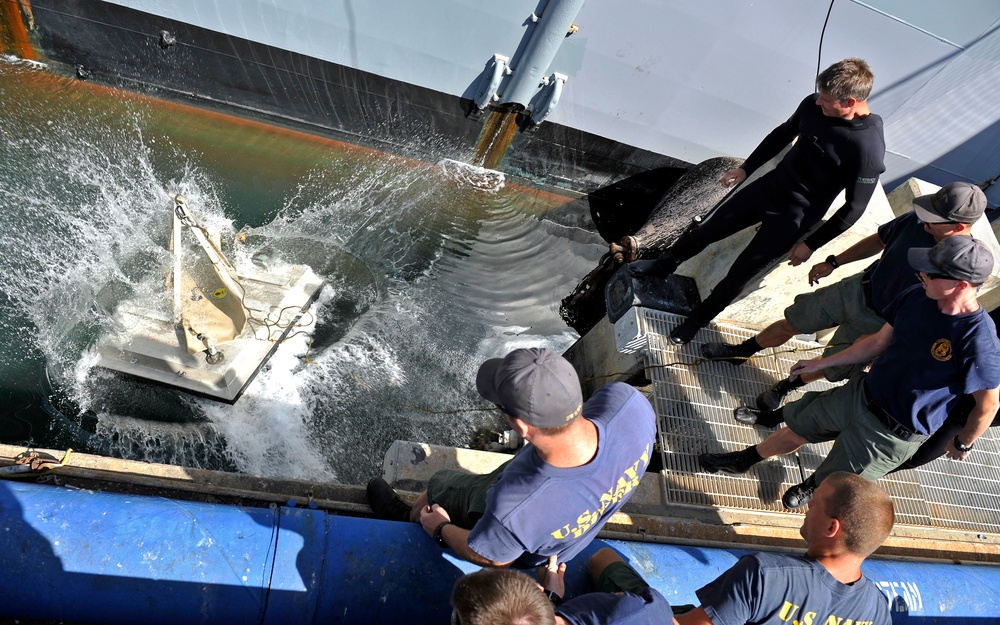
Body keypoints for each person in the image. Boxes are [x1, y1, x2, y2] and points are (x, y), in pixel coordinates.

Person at [698, 236, 1000, 509]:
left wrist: (963, 443)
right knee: (799, 425)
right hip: (861, 393)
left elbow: (988, 406)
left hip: (890, 433)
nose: (921, 274)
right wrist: (820, 363)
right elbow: (878, 341)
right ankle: (745, 460)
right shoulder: (918, 295)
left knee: (838, 480)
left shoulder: (979, 341)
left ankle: (809, 487)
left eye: (930, 273)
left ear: (961, 284)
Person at [634, 58, 885, 346]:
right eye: (820, 96)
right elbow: (782, 133)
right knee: (706, 231)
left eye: (827, 100)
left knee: (740, 273)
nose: (819, 103)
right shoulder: (813, 103)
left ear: (850, 102)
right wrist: (746, 169)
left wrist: (810, 244)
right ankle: (662, 266)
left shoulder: (867, 149)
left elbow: (853, 209)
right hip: (770, 188)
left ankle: (696, 320)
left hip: (795, 216)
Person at [700, 181, 987, 411]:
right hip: (857, 289)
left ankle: (786, 386)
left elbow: (945, 314)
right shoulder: (916, 221)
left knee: (835, 362)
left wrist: (888, 344)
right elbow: (879, 240)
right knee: (794, 320)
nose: (923, 220)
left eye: (933, 218)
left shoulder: (965, 264)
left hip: (883, 324)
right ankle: (742, 351)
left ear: (958, 227)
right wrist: (834, 262)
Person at [366, 347, 657, 567]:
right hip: (563, 540)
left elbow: (491, 557)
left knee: (442, 484)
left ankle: (411, 518)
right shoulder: (629, 403)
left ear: (520, 427)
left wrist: (440, 528)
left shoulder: (516, 505)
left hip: (524, 547)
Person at [674, 472, 893, 625]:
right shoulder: (878, 611)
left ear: (831, 527)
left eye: (815, 502)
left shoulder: (764, 576)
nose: (808, 505)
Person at [450, 549, 674, 625]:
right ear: (538, 589)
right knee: (603, 559)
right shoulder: (630, 611)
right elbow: (663, 615)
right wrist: (550, 599)